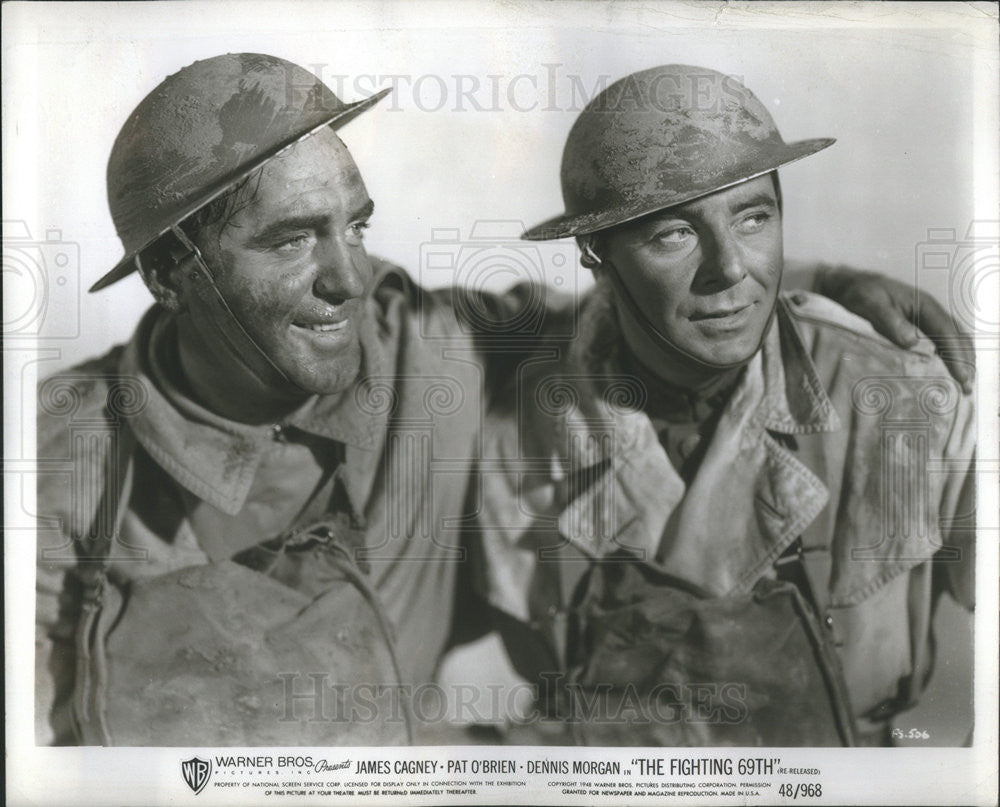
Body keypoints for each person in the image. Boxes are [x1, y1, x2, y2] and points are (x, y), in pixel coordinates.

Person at [35, 54, 971, 747]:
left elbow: (653, 306)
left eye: (355, 227)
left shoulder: (427, 352)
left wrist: (823, 280)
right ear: (168, 271)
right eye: (289, 242)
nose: (348, 278)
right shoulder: (56, 471)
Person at [471, 64, 975, 746]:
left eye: (753, 216)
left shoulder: (905, 399)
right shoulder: (524, 436)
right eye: (673, 234)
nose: (732, 268)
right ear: (596, 253)